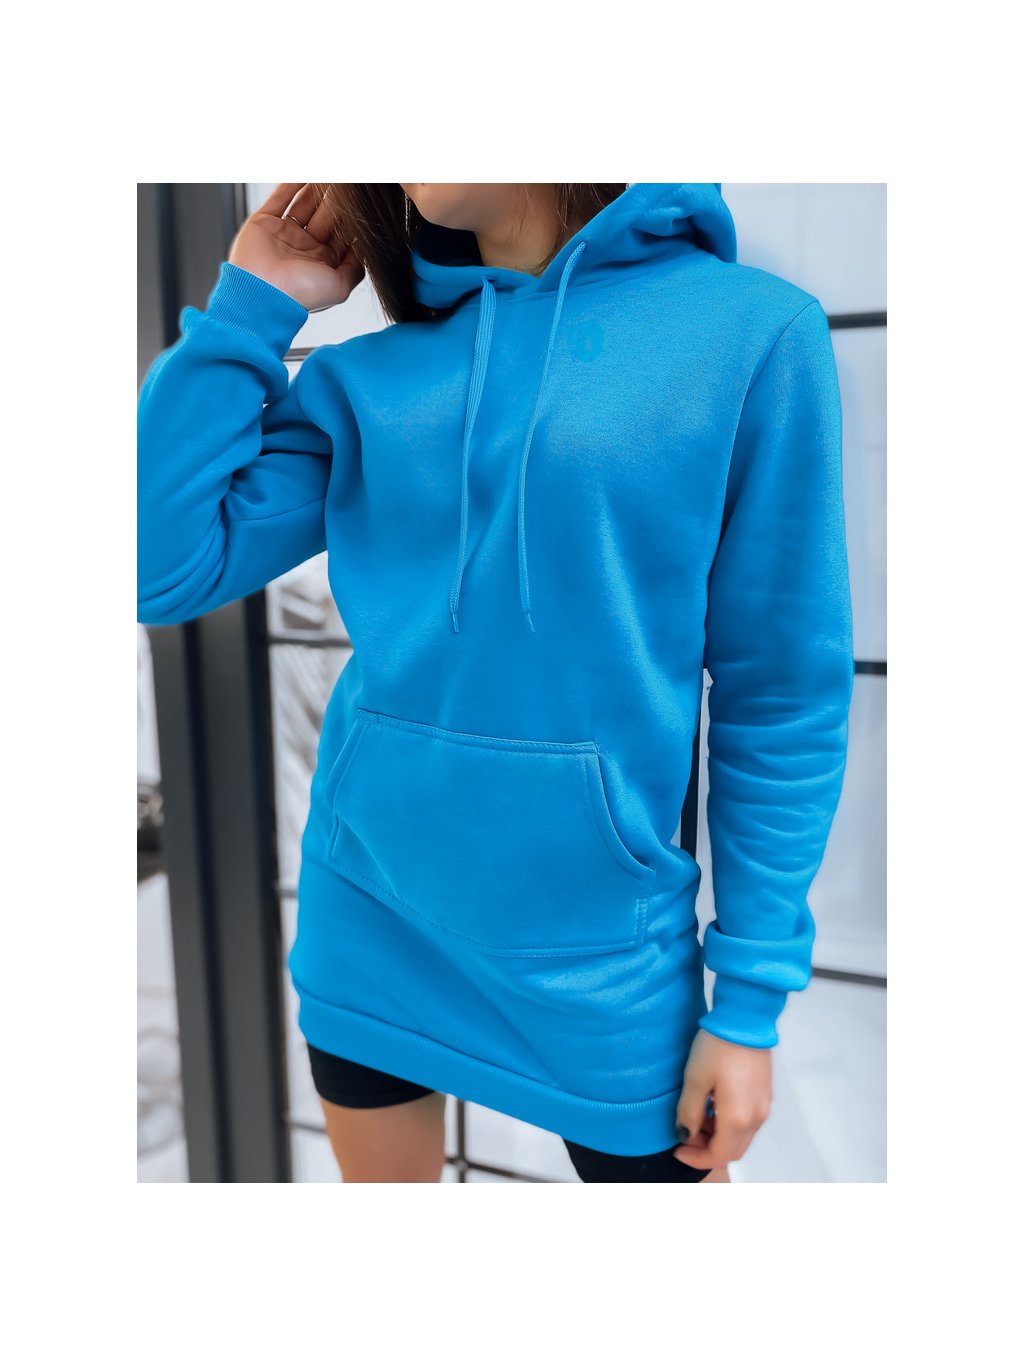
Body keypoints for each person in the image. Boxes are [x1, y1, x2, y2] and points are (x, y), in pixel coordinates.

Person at [137, 183, 854, 1183]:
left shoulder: (751, 335)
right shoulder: (369, 376)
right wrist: (251, 306)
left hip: (602, 963)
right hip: (369, 918)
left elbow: (780, 695)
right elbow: (159, 565)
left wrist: (747, 1003)